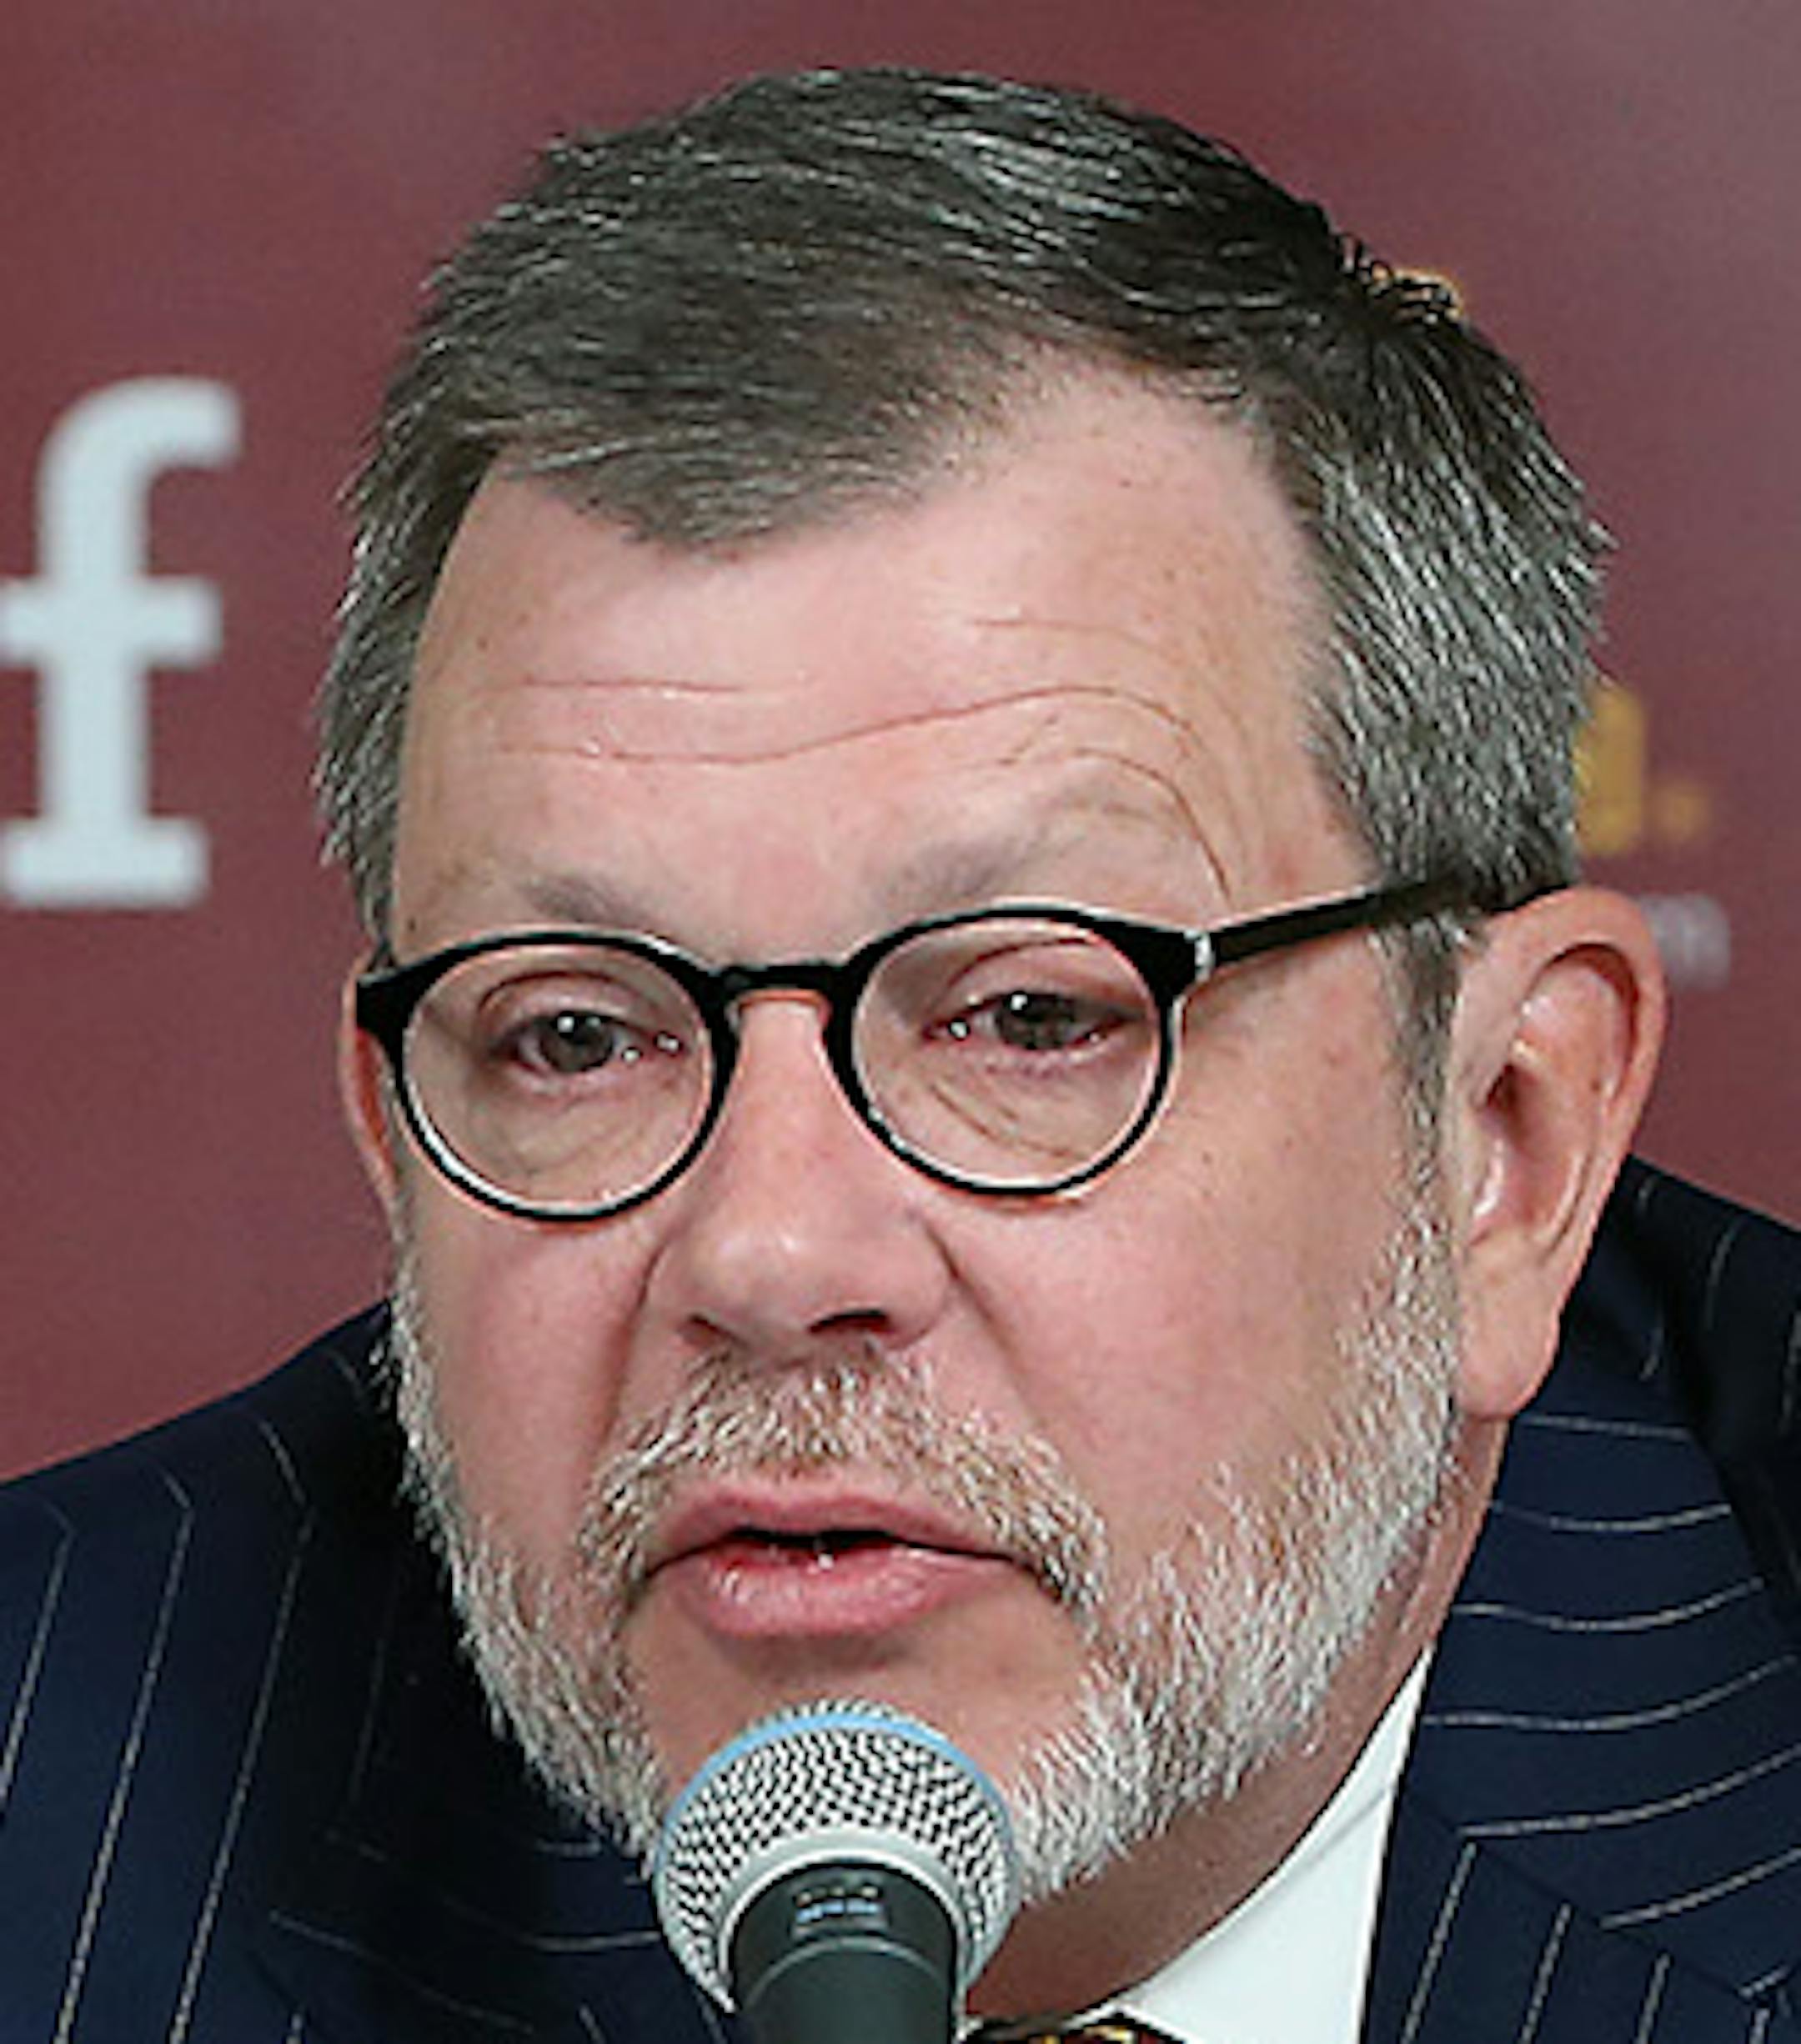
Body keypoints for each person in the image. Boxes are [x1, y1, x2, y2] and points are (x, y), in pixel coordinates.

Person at [3, 65, 1797, 2044]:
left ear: (1505, 1145)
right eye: (579, 1030)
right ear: (398, 1149)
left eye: (1027, 1016)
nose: (769, 1254)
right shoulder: (52, 1813)